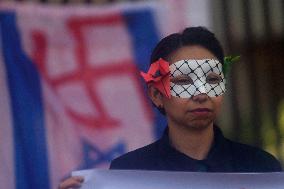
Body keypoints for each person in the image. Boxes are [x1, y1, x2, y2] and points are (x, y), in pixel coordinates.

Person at [59, 26, 282, 189]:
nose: (201, 94)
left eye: (213, 79)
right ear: (157, 95)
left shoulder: (261, 166)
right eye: (184, 81)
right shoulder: (130, 172)